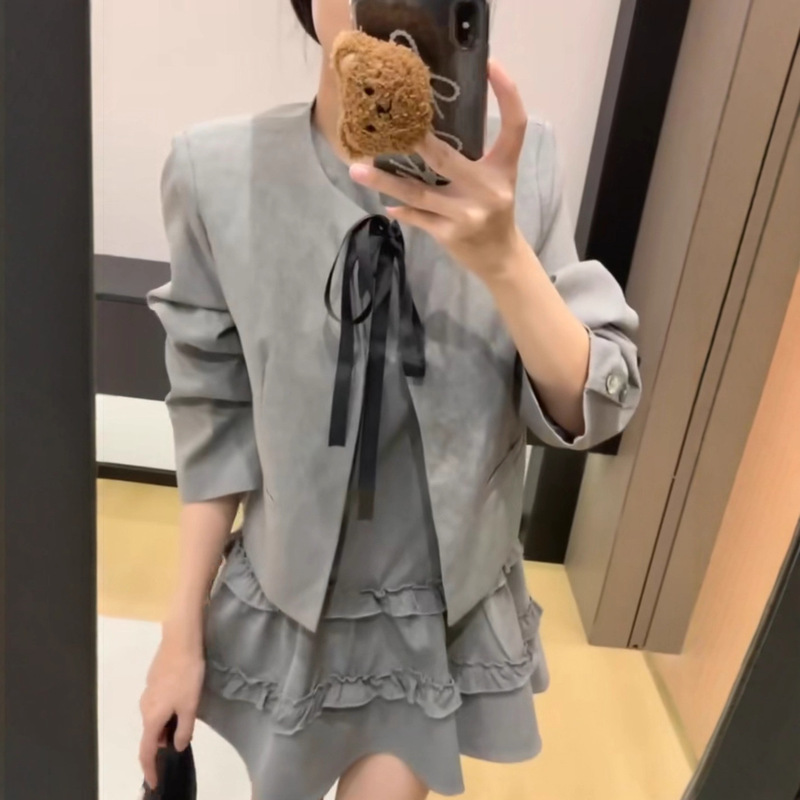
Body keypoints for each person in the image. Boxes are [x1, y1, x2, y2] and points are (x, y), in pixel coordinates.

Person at [139, 1, 642, 799]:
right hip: (289, 598)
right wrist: (181, 630)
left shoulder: (516, 168)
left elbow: (595, 406)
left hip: (437, 612)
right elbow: (213, 408)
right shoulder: (215, 172)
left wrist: (505, 259)